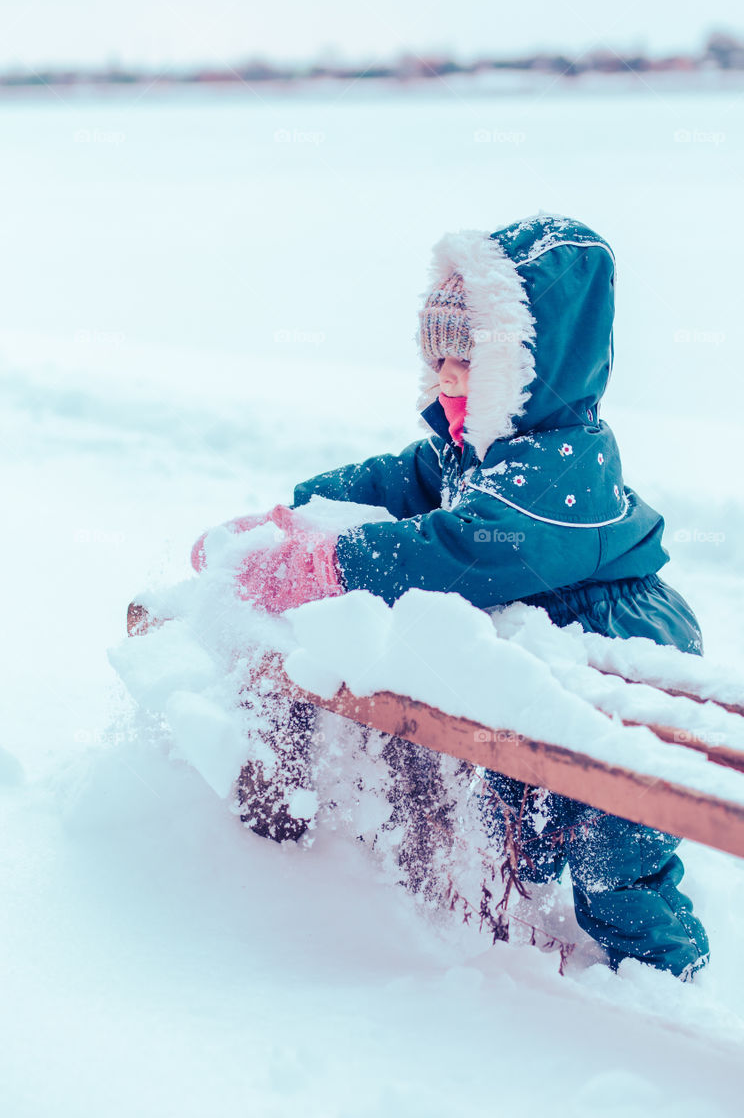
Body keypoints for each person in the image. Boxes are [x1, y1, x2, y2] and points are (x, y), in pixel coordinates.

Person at [191, 212, 710, 980]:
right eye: (437, 354)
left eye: (469, 357)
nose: (447, 375)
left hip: (625, 656)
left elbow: (462, 550)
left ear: (532, 366)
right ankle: (537, 912)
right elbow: (395, 481)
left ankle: (669, 974)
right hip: (545, 659)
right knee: (524, 812)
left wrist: (327, 561)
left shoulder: (563, 466)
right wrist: (293, 517)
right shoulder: (474, 447)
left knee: (614, 852)